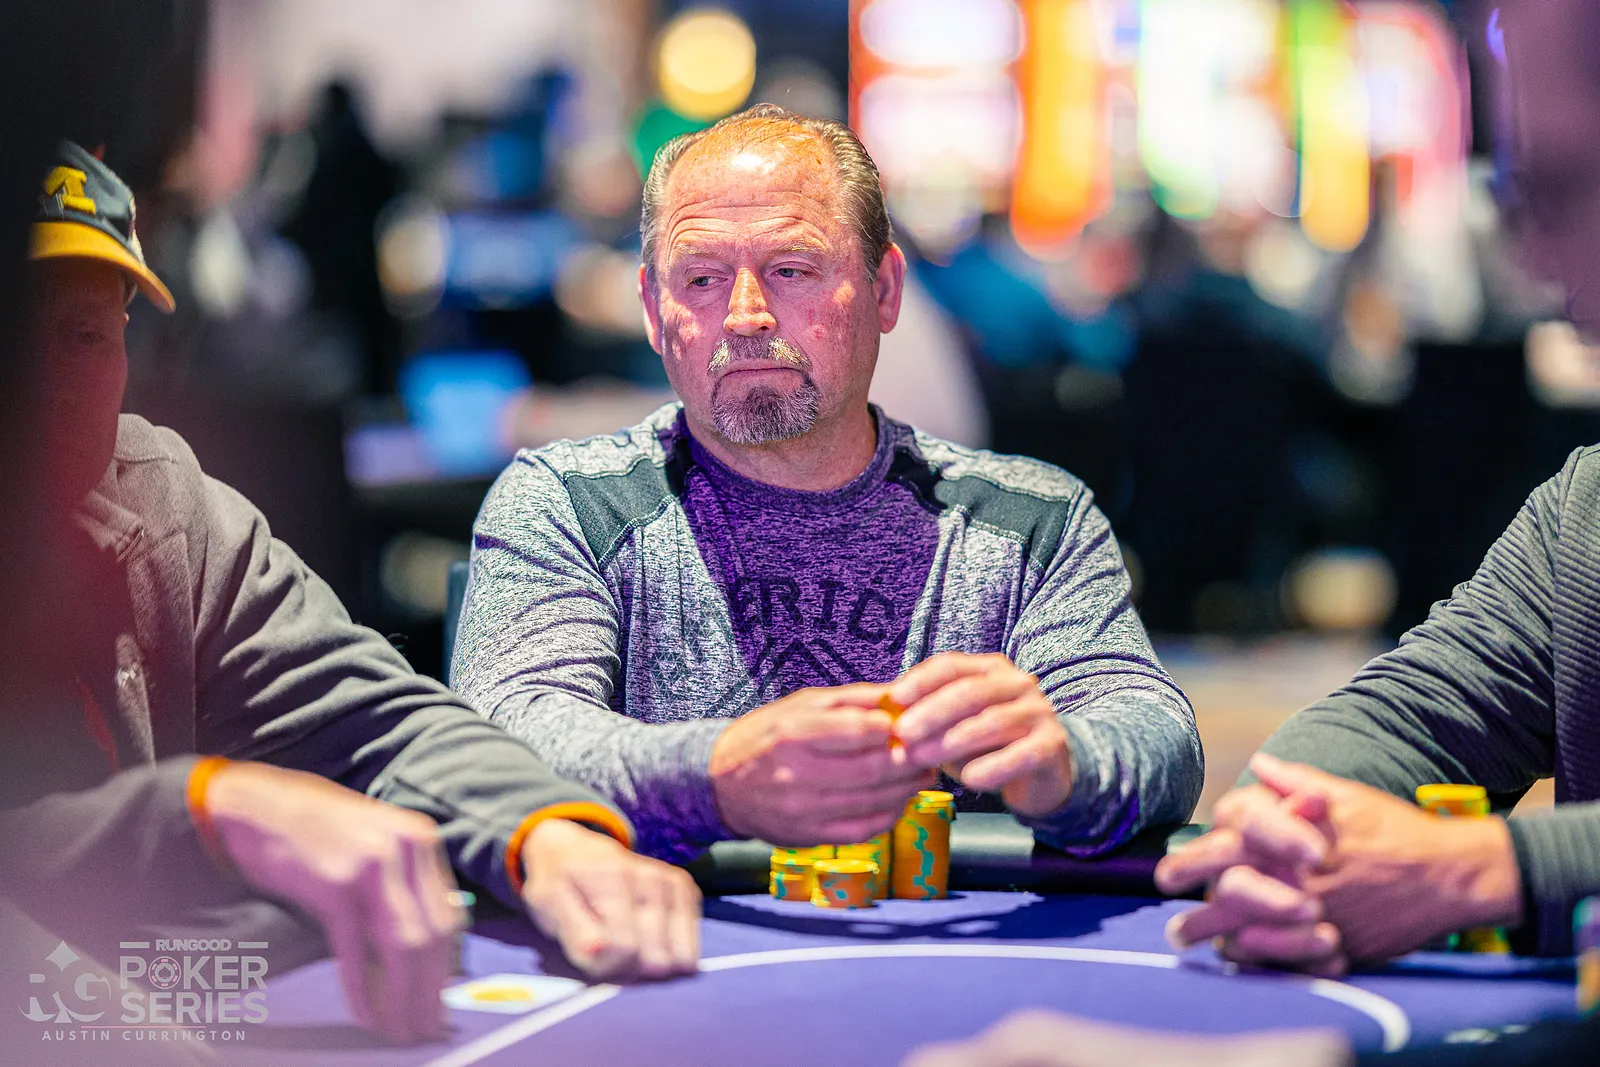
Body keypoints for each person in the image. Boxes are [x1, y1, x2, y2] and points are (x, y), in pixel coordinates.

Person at [0, 142, 700, 1047]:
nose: (47, 387)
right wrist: (213, 810)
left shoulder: (157, 498)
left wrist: (541, 831)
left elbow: (378, 721)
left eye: (86, 334)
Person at [451, 104, 1202, 863]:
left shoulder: (1031, 520)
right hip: (663, 929)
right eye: (702, 279)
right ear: (653, 308)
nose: (744, 315)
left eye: (791, 271)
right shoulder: (567, 503)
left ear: (884, 291)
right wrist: (718, 775)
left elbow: (1157, 735)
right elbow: (502, 738)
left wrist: (1064, 762)